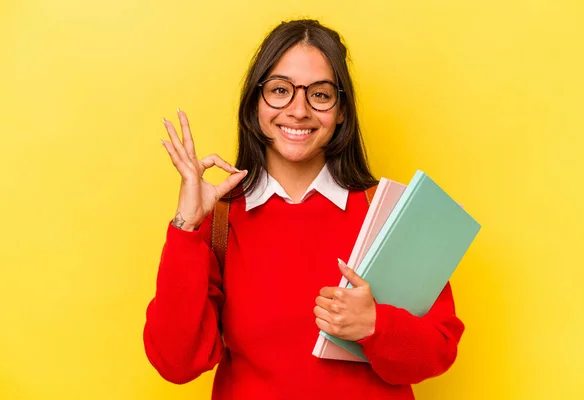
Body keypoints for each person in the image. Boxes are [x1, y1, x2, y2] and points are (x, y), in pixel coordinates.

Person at [143, 19, 464, 400]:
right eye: (280, 90)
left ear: (341, 110)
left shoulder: (388, 211)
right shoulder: (220, 221)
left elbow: (437, 352)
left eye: (321, 95)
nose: (298, 110)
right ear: (255, 103)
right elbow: (175, 364)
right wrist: (186, 227)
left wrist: (375, 325)